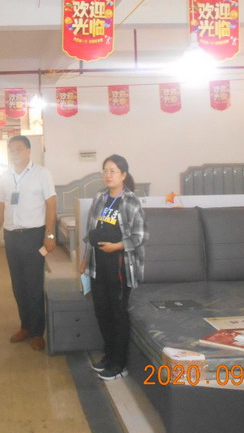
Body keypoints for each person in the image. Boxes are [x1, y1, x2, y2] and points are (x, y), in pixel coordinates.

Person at [79, 155, 144, 381]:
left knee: (118, 314)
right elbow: (91, 232)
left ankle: (119, 364)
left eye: (113, 171)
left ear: (124, 175)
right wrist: (85, 259)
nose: (108, 175)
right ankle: (108, 355)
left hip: (119, 265)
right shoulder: (100, 197)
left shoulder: (131, 201)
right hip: (98, 264)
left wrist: (116, 246)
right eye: (105, 170)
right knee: (102, 311)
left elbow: (139, 236)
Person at [0, 135, 57, 351]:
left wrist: (49, 235)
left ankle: (37, 332)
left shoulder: (42, 174)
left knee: (34, 284)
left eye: (19, 149)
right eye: (11, 150)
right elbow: (1, 206)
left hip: (33, 235)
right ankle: (25, 326)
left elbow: (51, 204)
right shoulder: (5, 176)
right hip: (12, 236)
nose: (15, 153)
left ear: (29, 151)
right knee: (18, 284)